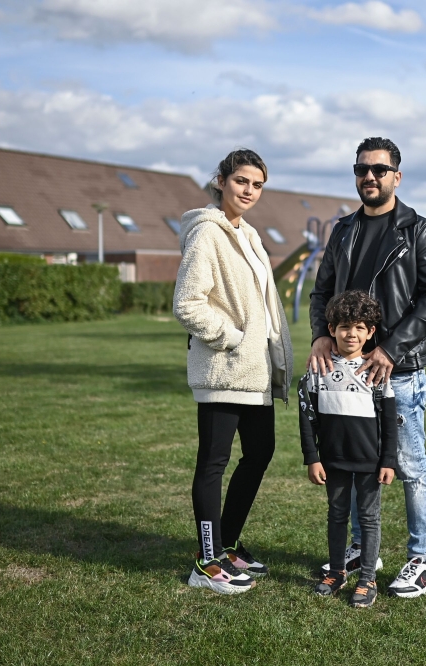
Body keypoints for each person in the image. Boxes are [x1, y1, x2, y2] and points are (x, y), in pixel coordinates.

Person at [308, 137, 426, 598]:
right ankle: (359, 547)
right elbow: (321, 292)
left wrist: (389, 348)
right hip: (345, 373)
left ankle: (421, 559)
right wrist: (320, 336)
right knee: (350, 462)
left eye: (379, 170)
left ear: (396, 176)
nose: (369, 177)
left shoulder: (417, 230)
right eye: (362, 169)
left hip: (398, 370)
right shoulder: (344, 230)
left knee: (409, 465)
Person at [173, 148, 293, 595]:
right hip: (225, 368)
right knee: (214, 462)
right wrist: (234, 338)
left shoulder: (250, 235)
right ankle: (206, 562)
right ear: (221, 180)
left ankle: (227, 544)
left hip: (255, 373)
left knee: (260, 453)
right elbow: (187, 302)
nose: (249, 191)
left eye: (257, 184)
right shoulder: (207, 233)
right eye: (242, 180)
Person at [300, 290, 397, 608]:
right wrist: (312, 458)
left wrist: (388, 461)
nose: (350, 333)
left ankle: (367, 579)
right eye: (343, 326)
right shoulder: (318, 368)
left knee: (369, 518)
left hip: (370, 461)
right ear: (331, 329)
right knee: (337, 515)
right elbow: (307, 418)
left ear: (370, 332)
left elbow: (388, 424)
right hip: (332, 460)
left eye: (359, 327)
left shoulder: (377, 372)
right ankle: (337, 572)